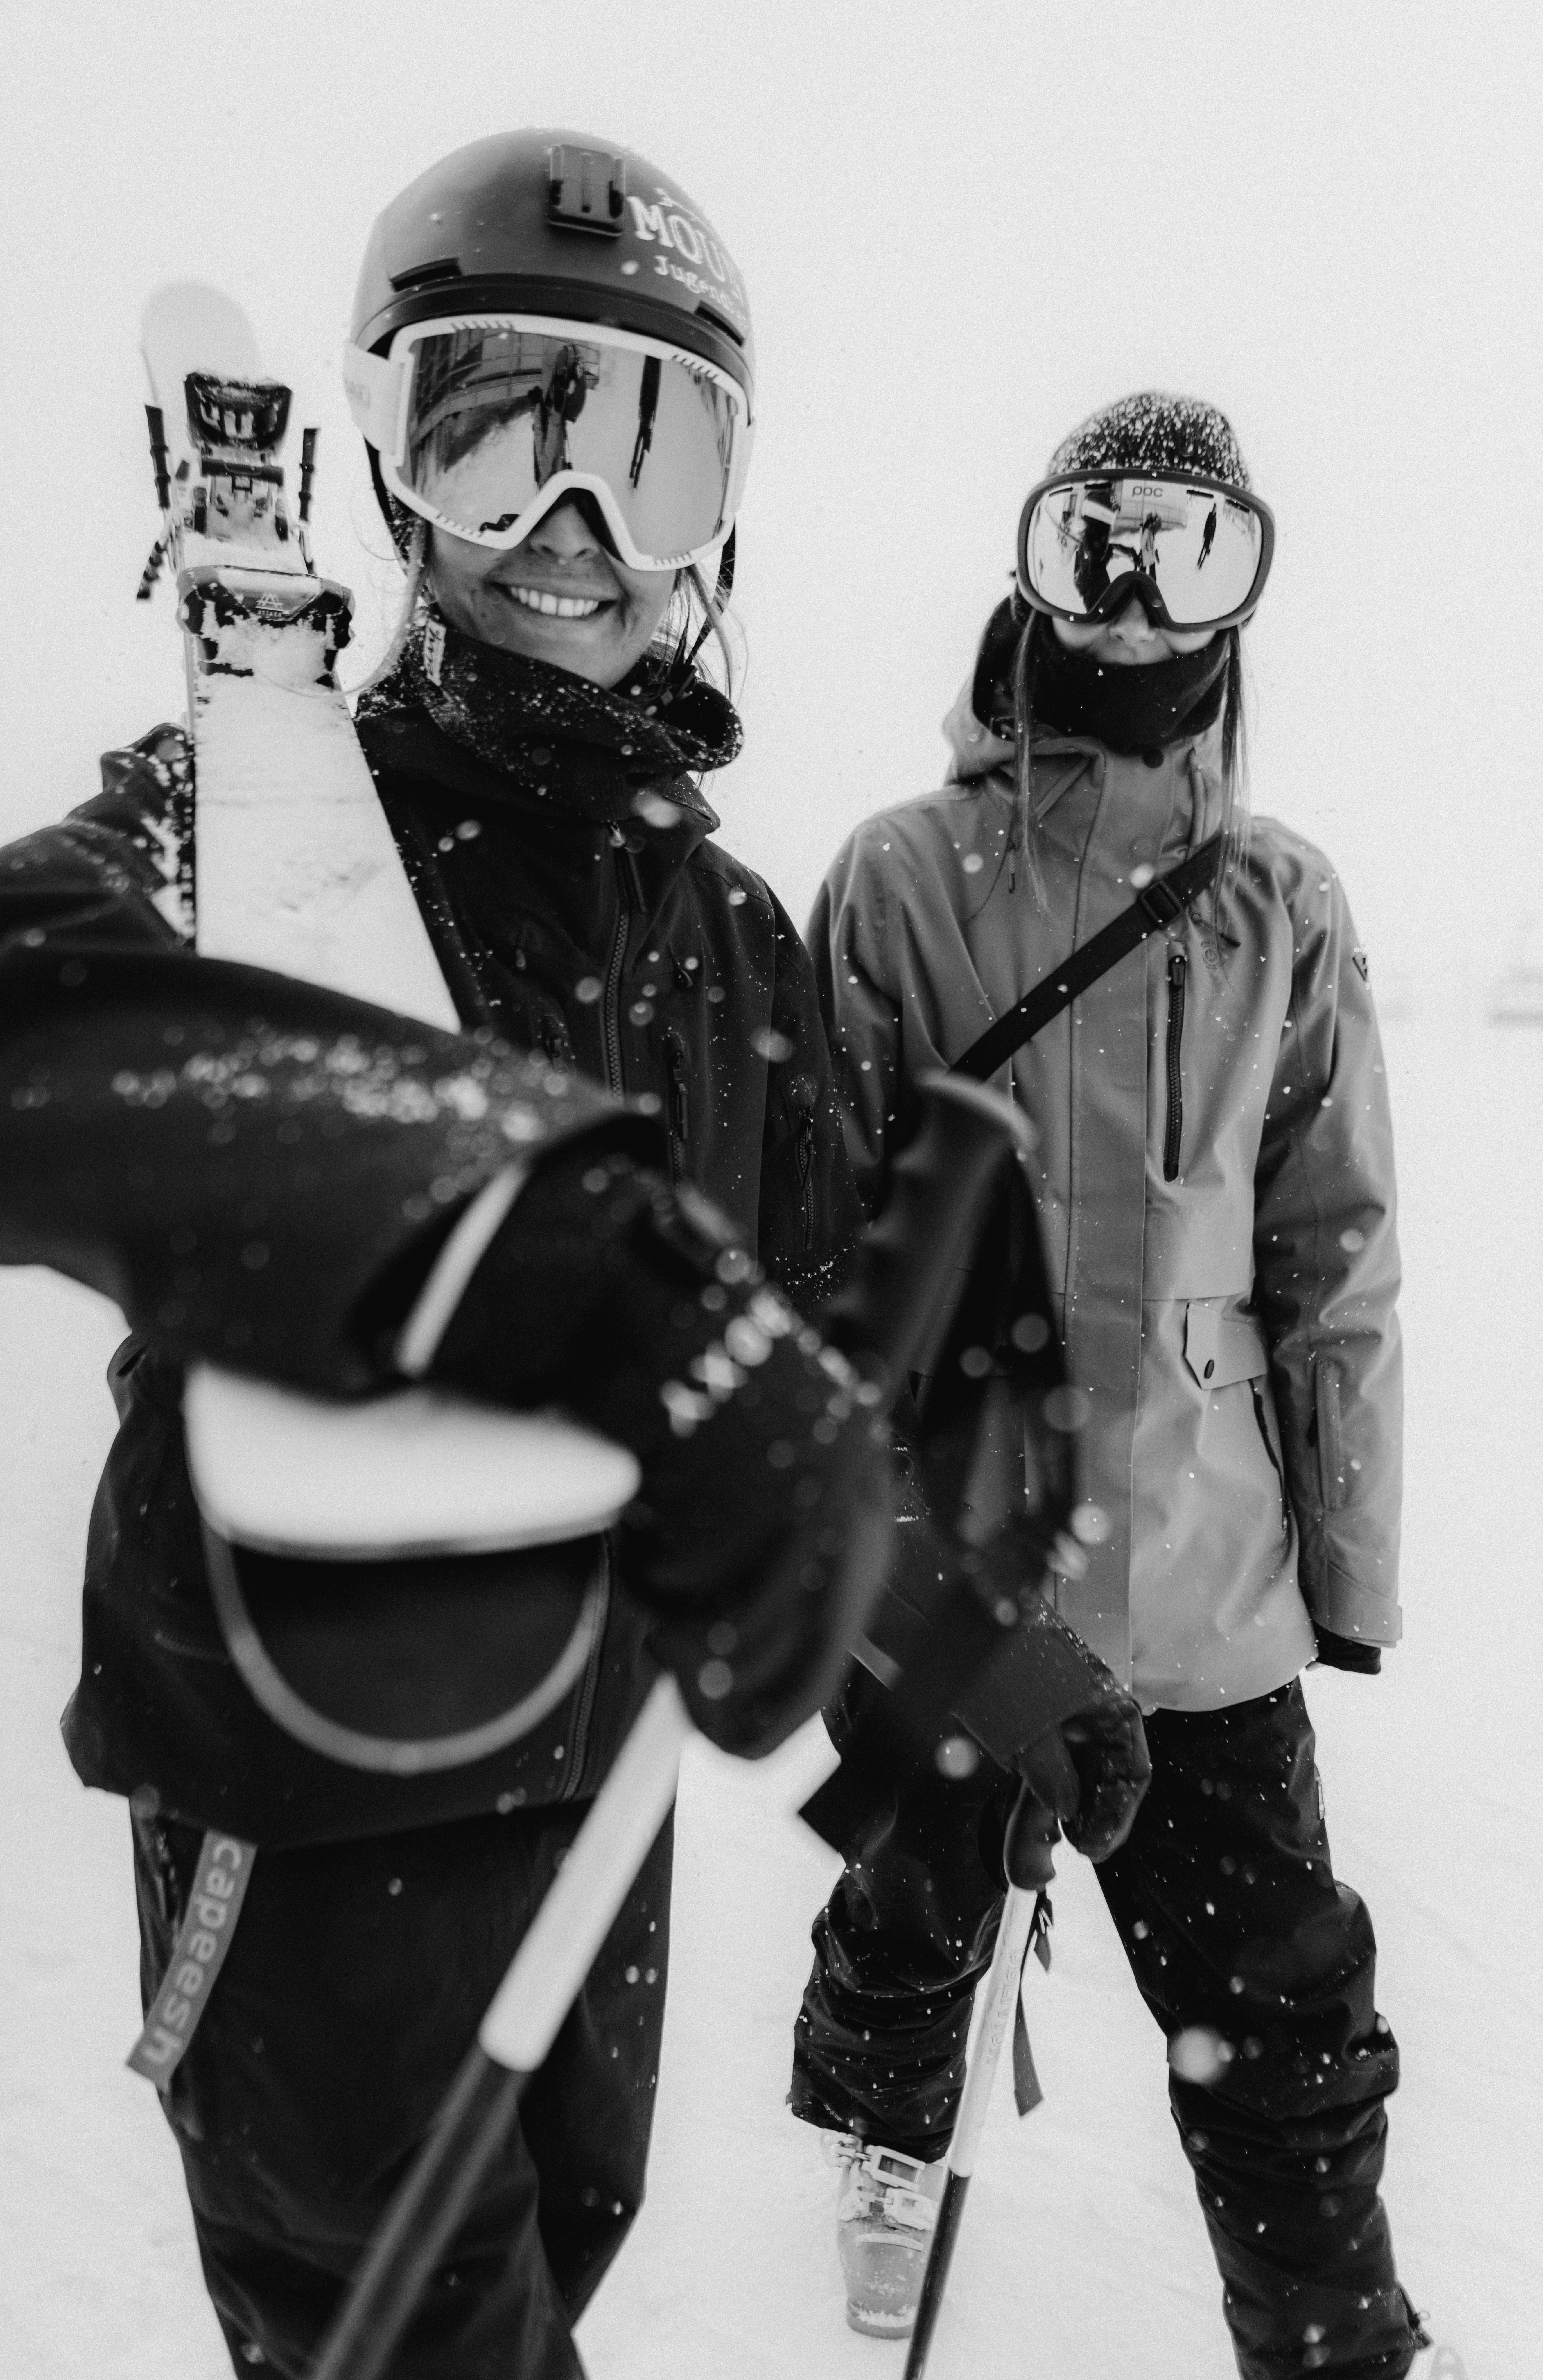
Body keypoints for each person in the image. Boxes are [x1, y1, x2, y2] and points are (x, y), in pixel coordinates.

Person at [0, 128, 892, 2380]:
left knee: (543, 2278)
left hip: (592, 1809)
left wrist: (956, 1696)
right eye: (501, 431)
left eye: (648, 453)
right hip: (307, 1824)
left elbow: (795, 1378)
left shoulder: (734, 945)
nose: (571, 532)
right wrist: (523, 1225)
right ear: (391, 465)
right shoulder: (253, 808)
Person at [788, 393, 1434, 2380]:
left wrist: (1346, 1579)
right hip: (957, 1568)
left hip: (1201, 1581)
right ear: (1030, 568)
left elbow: (1338, 1261)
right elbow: (821, 1244)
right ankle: (886, 2164)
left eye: (1194, 552)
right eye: (1098, 546)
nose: (1141, 605)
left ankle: (1333, 2340)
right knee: (911, 1932)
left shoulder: (1285, 904)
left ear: (1247, 596)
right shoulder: (900, 878)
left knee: (1284, 2022)